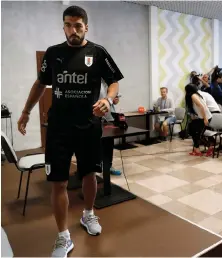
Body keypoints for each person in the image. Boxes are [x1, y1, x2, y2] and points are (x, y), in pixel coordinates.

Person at [16, 6, 123, 257]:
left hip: (88, 125)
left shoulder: (98, 53)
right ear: (63, 27)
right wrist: (26, 111)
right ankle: (63, 236)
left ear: (86, 26)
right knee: (58, 181)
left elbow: (114, 81)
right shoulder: (53, 54)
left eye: (77, 25)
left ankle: (88, 214)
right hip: (59, 128)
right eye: (68, 25)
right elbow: (40, 84)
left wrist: (108, 99)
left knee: (88, 174)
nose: (72, 30)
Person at [99, 80, 121, 176]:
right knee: (94, 144)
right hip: (94, 117)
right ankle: (96, 165)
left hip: (109, 118)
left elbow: (116, 100)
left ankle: (109, 166)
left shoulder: (110, 82)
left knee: (108, 144)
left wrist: (115, 100)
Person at [185, 84, 212, 156]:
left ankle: (209, 147)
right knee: (192, 130)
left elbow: (202, 107)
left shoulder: (193, 96)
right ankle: (196, 149)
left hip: (206, 117)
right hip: (201, 117)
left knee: (199, 134)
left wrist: (205, 118)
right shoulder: (195, 95)